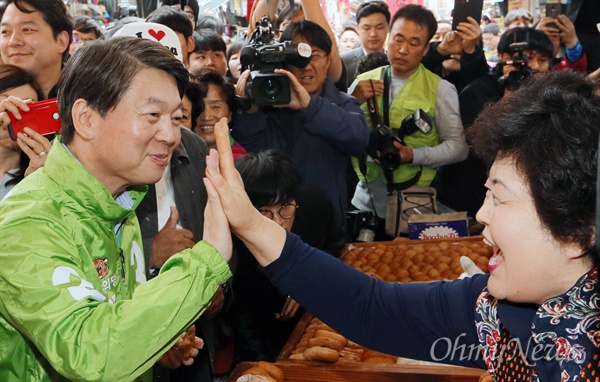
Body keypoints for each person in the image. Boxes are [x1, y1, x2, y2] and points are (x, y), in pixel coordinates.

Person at [205, 70, 600, 382]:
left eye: (499, 196)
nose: (481, 215)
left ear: (577, 231)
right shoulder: (496, 312)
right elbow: (371, 308)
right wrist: (251, 223)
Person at [0, 37, 233, 381]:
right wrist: (207, 260)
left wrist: (150, 344)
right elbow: (91, 354)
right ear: (86, 119)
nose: (170, 135)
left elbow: (117, 320)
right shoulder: (28, 221)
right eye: (153, 115)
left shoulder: (121, 203)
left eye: (174, 117)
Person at [233, 19, 369, 229]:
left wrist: (310, 106)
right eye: (296, 57)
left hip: (326, 226)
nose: (306, 65)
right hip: (273, 224)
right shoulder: (268, 105)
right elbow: (250, 155)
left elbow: (359, 138)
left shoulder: (342, 103)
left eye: (314, 56)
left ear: (328, 59)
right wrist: (249, 110)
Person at [349, 5, 468, 228]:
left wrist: (413, 155)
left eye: (413, 44)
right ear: (388, 38)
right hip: (365, 201)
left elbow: (459, 148)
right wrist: (352, 102)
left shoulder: (440, 89)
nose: (402, 50)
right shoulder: (362, 82)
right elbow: (341, 136)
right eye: (398, 39)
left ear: (425, 50)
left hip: (415, 205)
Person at [227, 149, 344, 362]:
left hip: (319, 322)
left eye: (285, 207)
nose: (278, 221)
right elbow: (242, 317)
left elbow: (337, 250)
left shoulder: (316, 206)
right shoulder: (234, 238)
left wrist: (306, 282)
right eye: (264, 212)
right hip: (264, 332)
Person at [437, 27, 554, 219]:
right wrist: (511, 92)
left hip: (514, 202)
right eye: (530, 58)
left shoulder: (545, 94)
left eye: (543, 60)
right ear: (506, 57)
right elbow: (487, 141)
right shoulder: (478, 90)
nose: (537, 67)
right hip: (465, 202)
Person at [0, 0, 72, 99]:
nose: (13, 42)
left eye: (27, 29)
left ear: (61, 41)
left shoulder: (90, 97)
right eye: (5, 32)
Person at [0, 64, 50, 199]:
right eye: (6, 100)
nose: (15, 113)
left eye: (27, 107)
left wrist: (36, 180)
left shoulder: (38, 174)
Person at [191, 68, 246, 158]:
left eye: (216, 107)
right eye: (199, 107)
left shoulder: (239, 160)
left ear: (230, 114)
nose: (206, 116)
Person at [341, 1, 390, 88]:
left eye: (379, 27)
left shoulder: (395, 61)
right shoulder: (343, 62)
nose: (373, 34)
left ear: (388, 28)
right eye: (367, 28)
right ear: (358, 29)